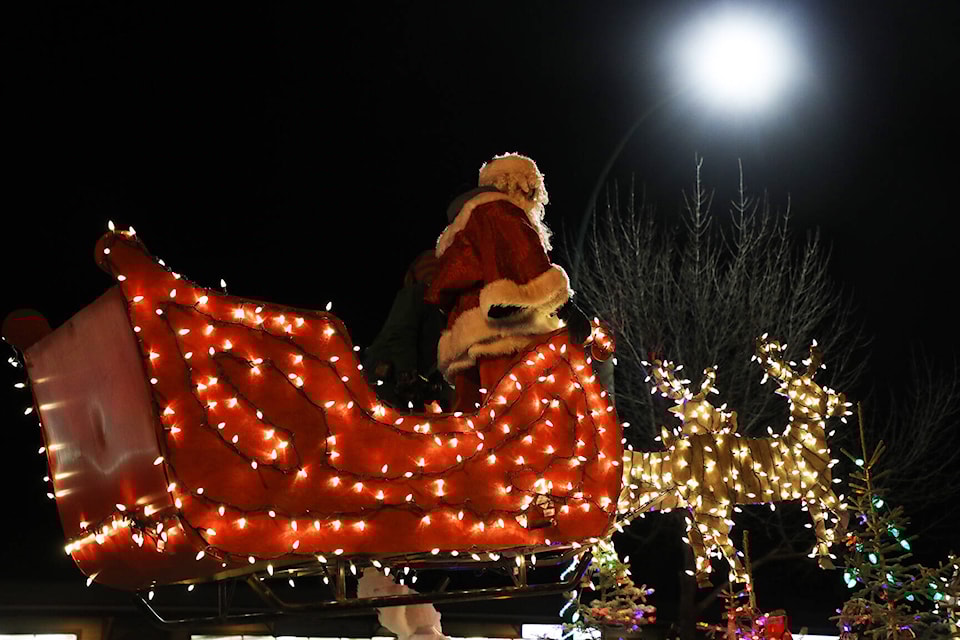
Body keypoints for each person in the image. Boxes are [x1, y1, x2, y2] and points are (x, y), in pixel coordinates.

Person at [425, 153, 591, 412]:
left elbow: (442, 291)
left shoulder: (460, 227)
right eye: (530, 190)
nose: (532, 200)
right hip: (503, 336)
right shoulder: (501, 210)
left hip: (467, 340)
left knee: (473, 420)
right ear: (515, 185)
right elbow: (525, 257)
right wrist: (566, 308)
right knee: (519, 417)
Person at [362, 250, 454, 411]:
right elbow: (401, 333)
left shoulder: (442, 310)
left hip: (405, 386)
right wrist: (406, 375)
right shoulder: (418, 294)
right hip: (388, 379)